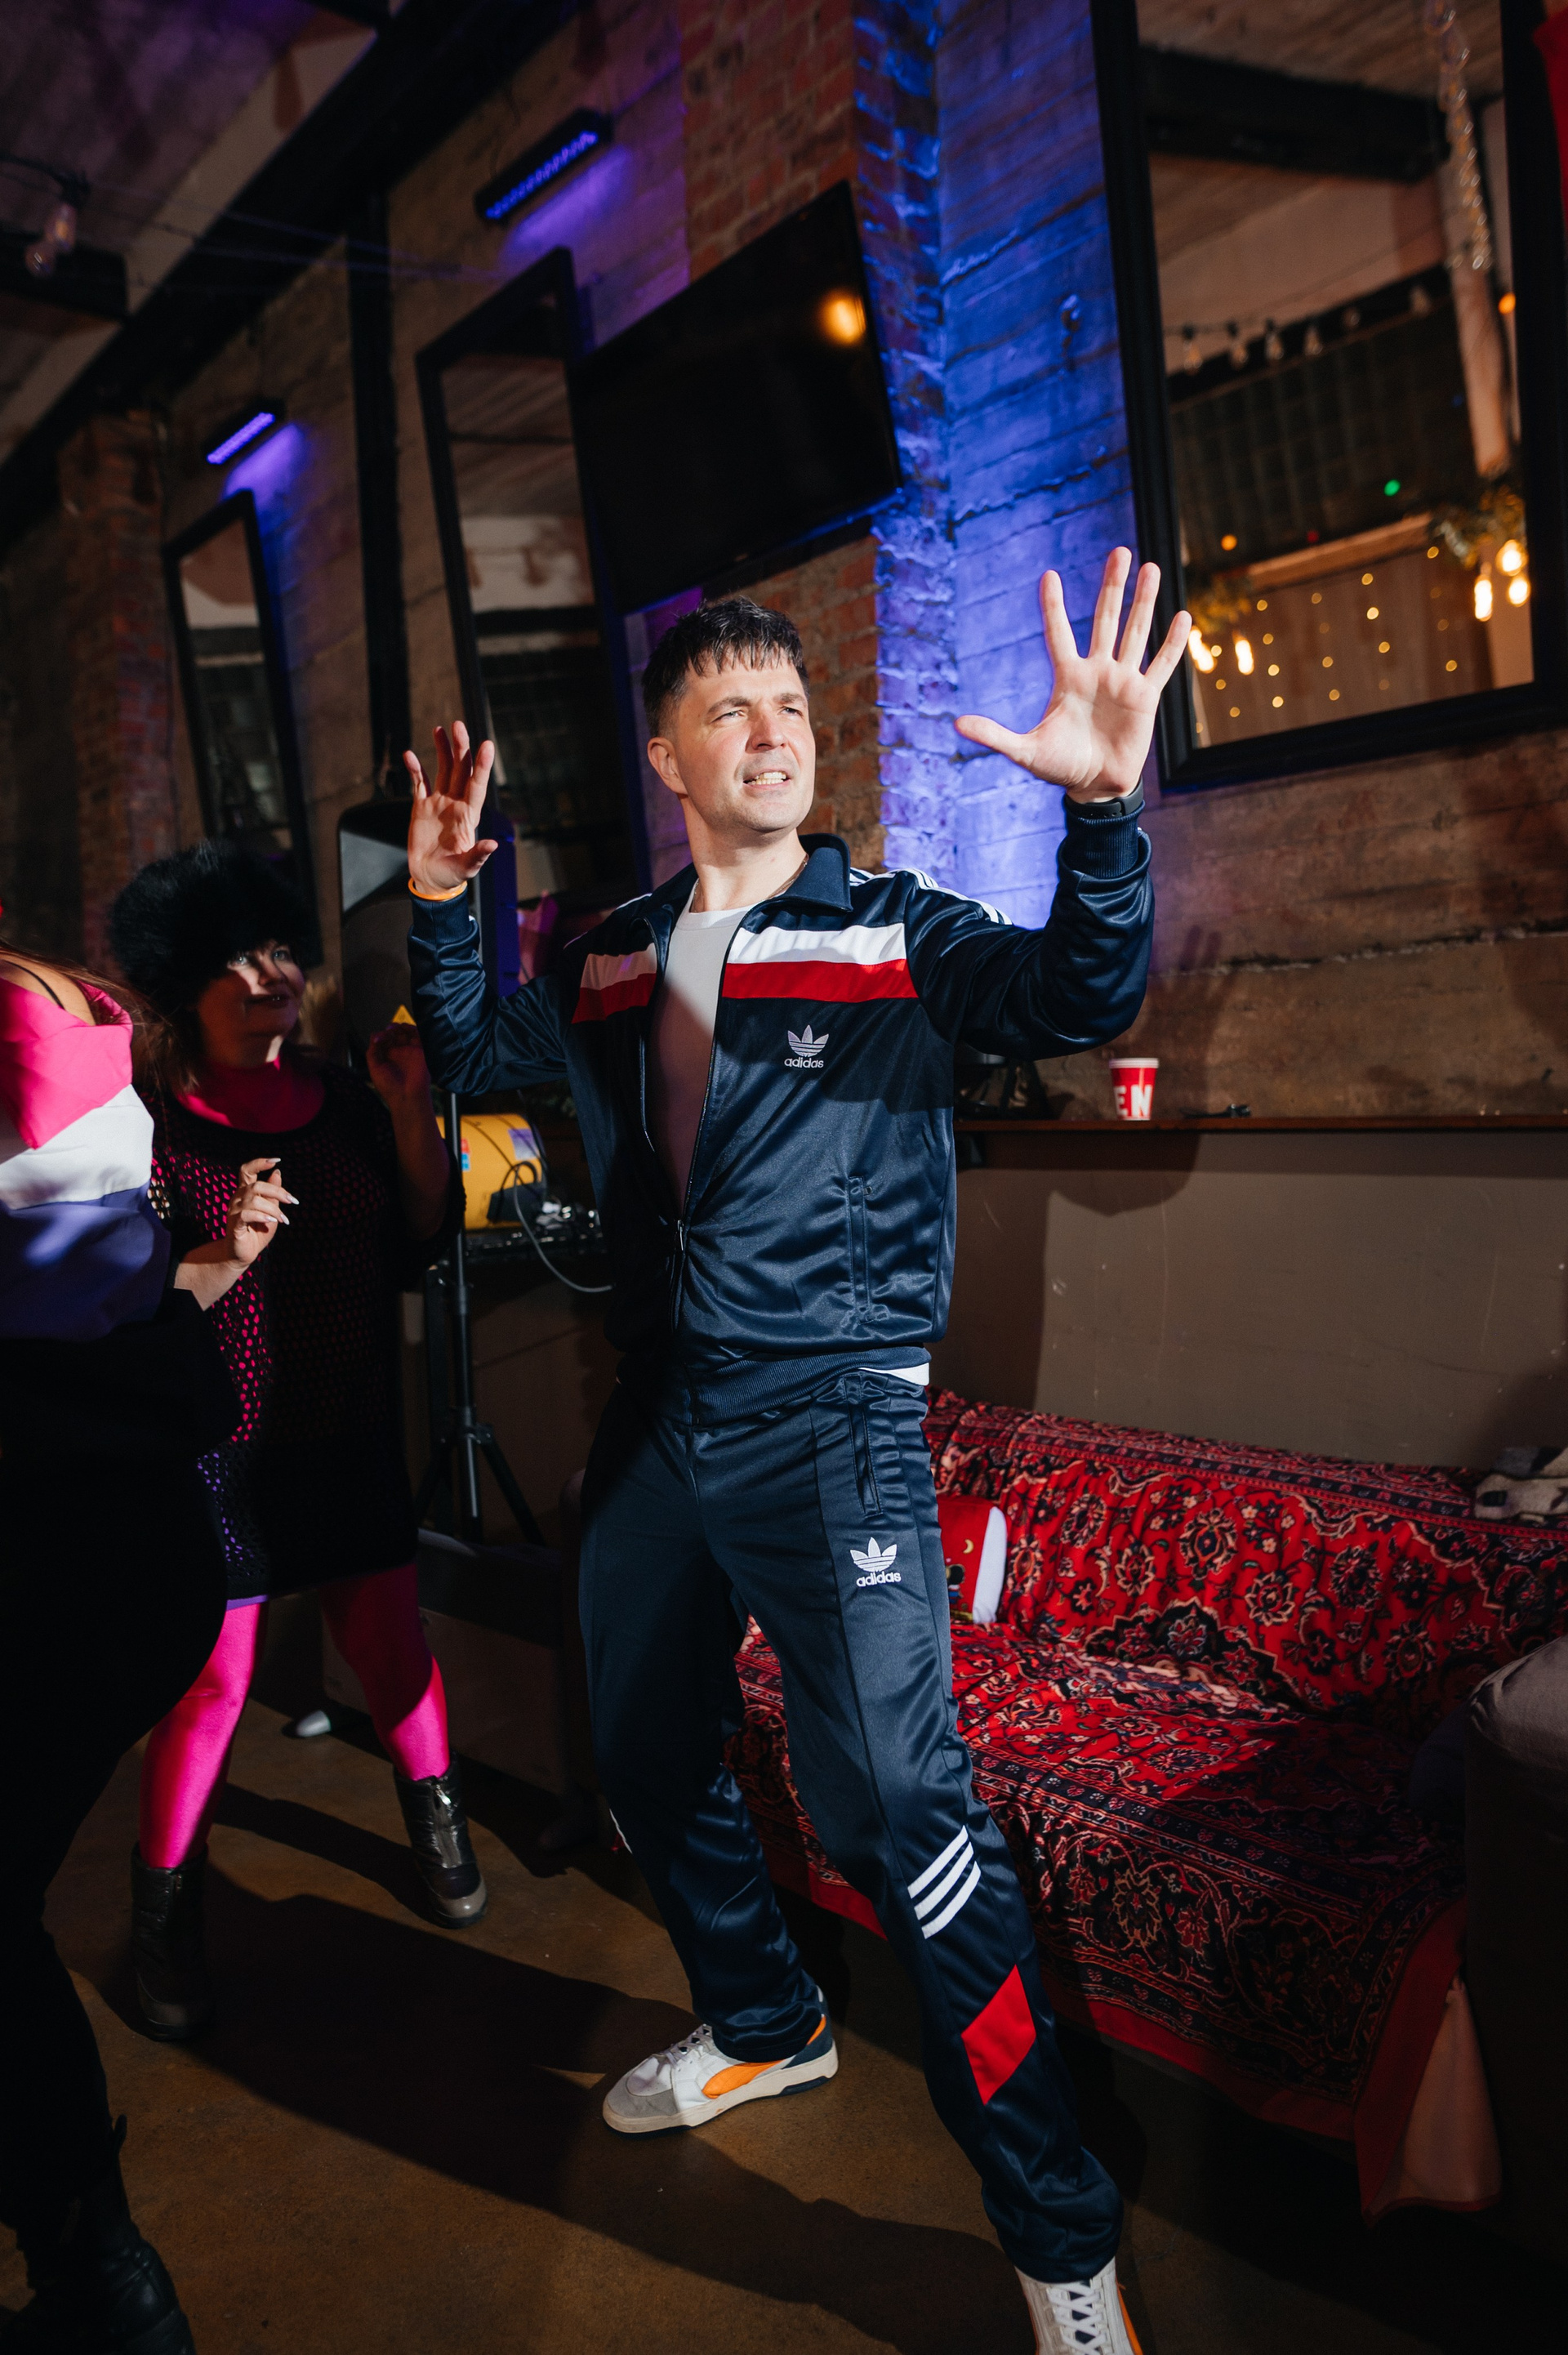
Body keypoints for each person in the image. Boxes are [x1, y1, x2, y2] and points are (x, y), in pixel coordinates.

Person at [405, 548, 1187, 2355]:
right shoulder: (612, 951)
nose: (771, 733)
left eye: (792, 707)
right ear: (668, 759)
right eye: (730, 711)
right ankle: (768, 2019)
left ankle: (1060, 2233)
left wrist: (1102, 815)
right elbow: (472, 1052)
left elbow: (1082, 992)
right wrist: (441, 901)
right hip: (663, 1413)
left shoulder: (897, 930)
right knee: (642, 1737)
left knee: (905, 1814)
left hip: (835, 1422)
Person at [107, 841, 479, 2045]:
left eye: (280, 950)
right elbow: (129, 1308)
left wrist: (412, 1109)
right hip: (216, 1448)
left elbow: (420, 1231)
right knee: (212, 1682)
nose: (273, 974)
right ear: (186, 985)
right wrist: (224, 1250)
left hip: (347, 1419)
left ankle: (438, 1825)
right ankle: (164, 1913)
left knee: (387, 1637)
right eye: (241, 959)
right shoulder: (148, 1130)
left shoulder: (346, 1097)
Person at [0, 917, 287, 2353]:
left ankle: (101, 2284)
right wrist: (212, 1266)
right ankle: (100, 2279)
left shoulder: (27, 1023)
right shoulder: (58, 1009)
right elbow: (94, 1293)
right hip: (130, 1539)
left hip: (71, 1550)